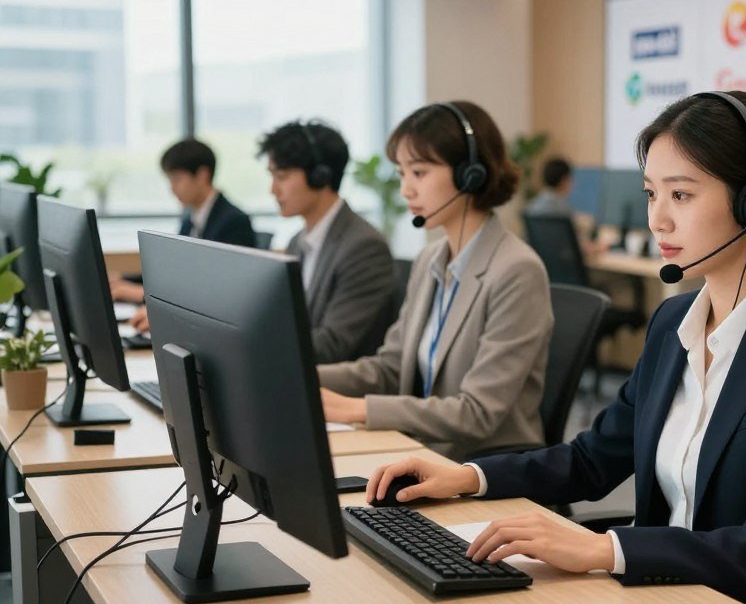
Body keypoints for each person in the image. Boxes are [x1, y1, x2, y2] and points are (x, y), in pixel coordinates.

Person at [363, 91, 746, 604]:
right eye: (652, 194)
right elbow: (591, 459)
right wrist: (466, 476)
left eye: (681, 194)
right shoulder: (673, 323)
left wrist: (604, 548)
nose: (657, 219)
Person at [318, 101, 553, 462]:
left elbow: (477, 413)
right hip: (422, 453)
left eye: (420, 172)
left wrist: (353, 409)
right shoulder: (431, 259)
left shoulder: (516, 270)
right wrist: (301, 373)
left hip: (482, 468)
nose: (406, 190)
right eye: (402, 173)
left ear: (469, 174)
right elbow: (391, 368)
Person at [259, 119, 396, 364]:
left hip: (341, 391)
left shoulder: (364, 248)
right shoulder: (296, 242)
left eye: (282, 176)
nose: (273, 189)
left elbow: (334, 344)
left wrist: (258, 345)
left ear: (319, 176)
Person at [110, 138, 257, 328]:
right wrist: (125, 279)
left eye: (177, 179)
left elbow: (216, 293)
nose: (171, 188)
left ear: (202, 175)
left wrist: (140, 294)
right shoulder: (190, 217)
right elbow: (176, 273)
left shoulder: (233, 221)